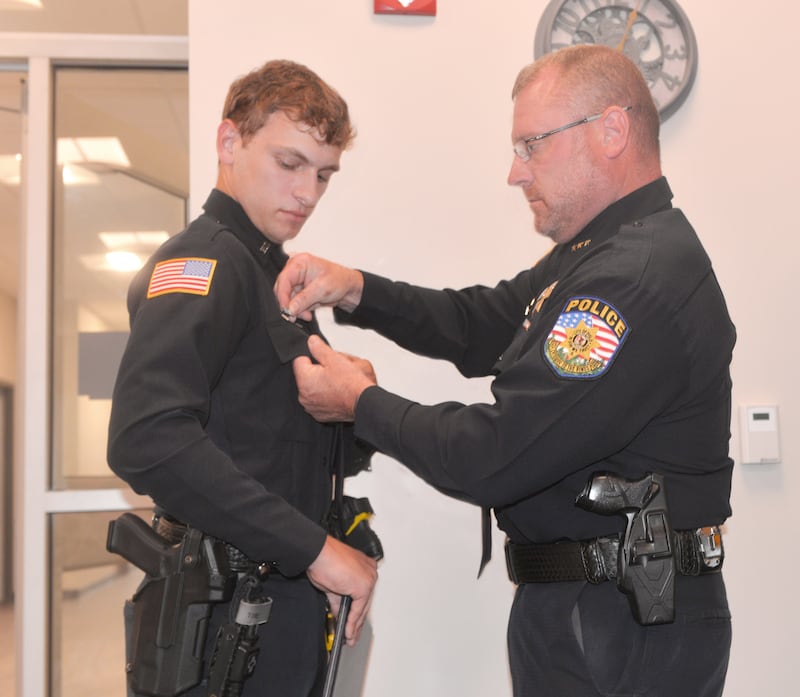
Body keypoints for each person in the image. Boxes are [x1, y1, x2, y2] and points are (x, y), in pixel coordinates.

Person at [275, 44, 734, 696]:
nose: (515, 173)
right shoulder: (596, 256)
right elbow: (478, 324)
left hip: (625, 624)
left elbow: (493, 453)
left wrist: (361, 403)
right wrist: (356, 290)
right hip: (592, 609)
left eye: (532, 146)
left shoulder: (632, 280)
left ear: (611, 131)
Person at [106, 59, 378, 697]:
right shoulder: (204, 261)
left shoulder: (272, 277)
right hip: (222, 620)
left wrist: (355, 403)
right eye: (290, 163)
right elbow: (146, 438)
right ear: (229, 141)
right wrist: (315, 550)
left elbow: (276, 450)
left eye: (324, 174)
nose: (308, 193)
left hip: (275, 607)